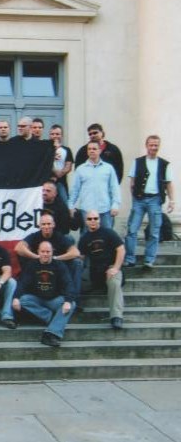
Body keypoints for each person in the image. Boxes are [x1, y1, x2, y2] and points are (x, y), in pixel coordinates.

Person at [124, 135, 175, 269]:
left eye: (156, 145)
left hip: (155, 200)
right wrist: (135, 198)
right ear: (146, 146)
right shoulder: (137, 162)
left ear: (159, 146)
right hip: (139, 199)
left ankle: (149, 260)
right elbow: (132, 182)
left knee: (154, 231)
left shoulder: (164, 164)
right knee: (132, 229)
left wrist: (172, 200)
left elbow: (169, 183)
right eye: (151, 145)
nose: (153, 147)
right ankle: (130, 259)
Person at [13, 241, 76, 347]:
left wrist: (68, 301)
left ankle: (51, 334)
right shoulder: (32, 265)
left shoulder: (59, 265)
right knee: (22, 300)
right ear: (38, 252)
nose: (45, 254)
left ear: (52, 252)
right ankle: (50, 317)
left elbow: (68, 284)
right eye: (43, 251)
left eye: (48, 251)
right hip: (37, 299)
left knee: (72, 304)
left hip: (54, 300)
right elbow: (23, 283)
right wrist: (16, 298)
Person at [14, 213, 83, 307]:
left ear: (53, 225)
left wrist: (56, 258)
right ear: (39, 225)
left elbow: (76, 252)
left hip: (57, 267)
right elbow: (18, 248)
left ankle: (75, 300)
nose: (46, 226)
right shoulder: (35, 236)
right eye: (44, 224)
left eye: (49, 224)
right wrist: (36, 256)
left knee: (77, 263)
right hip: (38, 267)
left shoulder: (59, 236)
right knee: (24, 258)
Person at [78, 210, 125, 329]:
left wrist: (115, 268)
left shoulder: (108, 233)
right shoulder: (84, 238)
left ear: (99, 220)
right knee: (75, 283)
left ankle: (116, 317)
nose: (93, 221)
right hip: (94, 274)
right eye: (90, 219)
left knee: (114, 282)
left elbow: (121, 249)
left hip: (110, 269)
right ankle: (74, 306)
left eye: (95, 218)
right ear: (86, 221)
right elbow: (81, 257)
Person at [68, 141, 121, 230]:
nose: (91, 151)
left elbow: (114, 188)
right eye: (89, 149)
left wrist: (115, 205)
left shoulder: (108, 168)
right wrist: (70, 205)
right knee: (87, 236)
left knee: (107, 235)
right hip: (86, 210)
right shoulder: (80, 169)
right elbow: (75, 189)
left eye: (94, 149)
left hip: (105, 210)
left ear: (100, 151)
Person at [49, 124, 73, 204]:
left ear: (61, 135)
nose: (55, 136)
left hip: (61, 182)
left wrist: (59, 174)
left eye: (57, 134)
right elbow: (45, 163)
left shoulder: (66, 150)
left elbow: (68, 166)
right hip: (48, 182)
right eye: (52, 134)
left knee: (64, 203)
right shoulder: (45, 149)